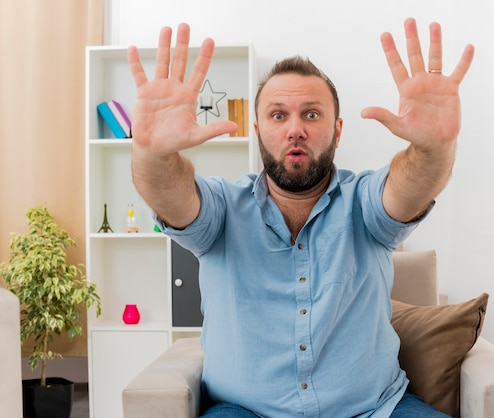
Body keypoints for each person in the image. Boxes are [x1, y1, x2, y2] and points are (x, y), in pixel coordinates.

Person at [127, 17, 474, 418]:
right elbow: (171, 195)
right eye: (278, 116)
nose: (295, 129)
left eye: (311, 115)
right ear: (258, 130)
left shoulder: (364, 202)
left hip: (376, 409)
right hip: (244, 411)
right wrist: (152, 155)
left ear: (337, 130)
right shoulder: (222, 210)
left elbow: (409, 187)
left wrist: (434, 149)